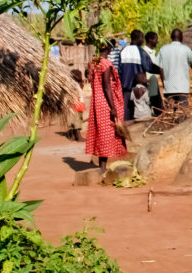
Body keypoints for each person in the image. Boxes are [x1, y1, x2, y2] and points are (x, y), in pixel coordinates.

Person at [85, 40, 126, 170]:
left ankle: (102, 166)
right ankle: (102, 167)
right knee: (107, 133)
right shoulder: (106, 64)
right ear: (108, 48)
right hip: (106, 102)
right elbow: (107, 87)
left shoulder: (94, 63)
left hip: (97, 101)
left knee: (101, 132)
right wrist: (113, 108)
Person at [119, 30, 161, 120]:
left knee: (126, 114)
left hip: (125, 89)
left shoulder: (123, 51)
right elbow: (149, 67)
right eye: (142, 38)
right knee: (139, 113)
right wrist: (161, 70)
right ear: (140, 38)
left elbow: (119, 70)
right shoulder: (140, 52)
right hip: (137, 88)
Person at [157, 29, 192, 118]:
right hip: (182, 87)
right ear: (182, 37)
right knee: (183, 112)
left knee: (170, 112)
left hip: (169, 87)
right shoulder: (186, 49)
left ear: (171, 37)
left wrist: (164, 82)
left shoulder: (163, 49)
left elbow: (160, 68)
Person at [143, 31, 163, 116]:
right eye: (156, 39)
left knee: (156, 104)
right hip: (149, 81)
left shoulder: (152, 52)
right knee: (155, 104)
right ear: (150, 40)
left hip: (153, 81)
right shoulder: (144, 52)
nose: (157, 42)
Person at [69, 68, 91, 140]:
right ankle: (78, 137)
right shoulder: (74, 85)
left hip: (79, 104)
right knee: (77, 120)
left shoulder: (79, 84)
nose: (81, 77)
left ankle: (74, 135)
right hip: (77, 105)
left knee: (77, 120)